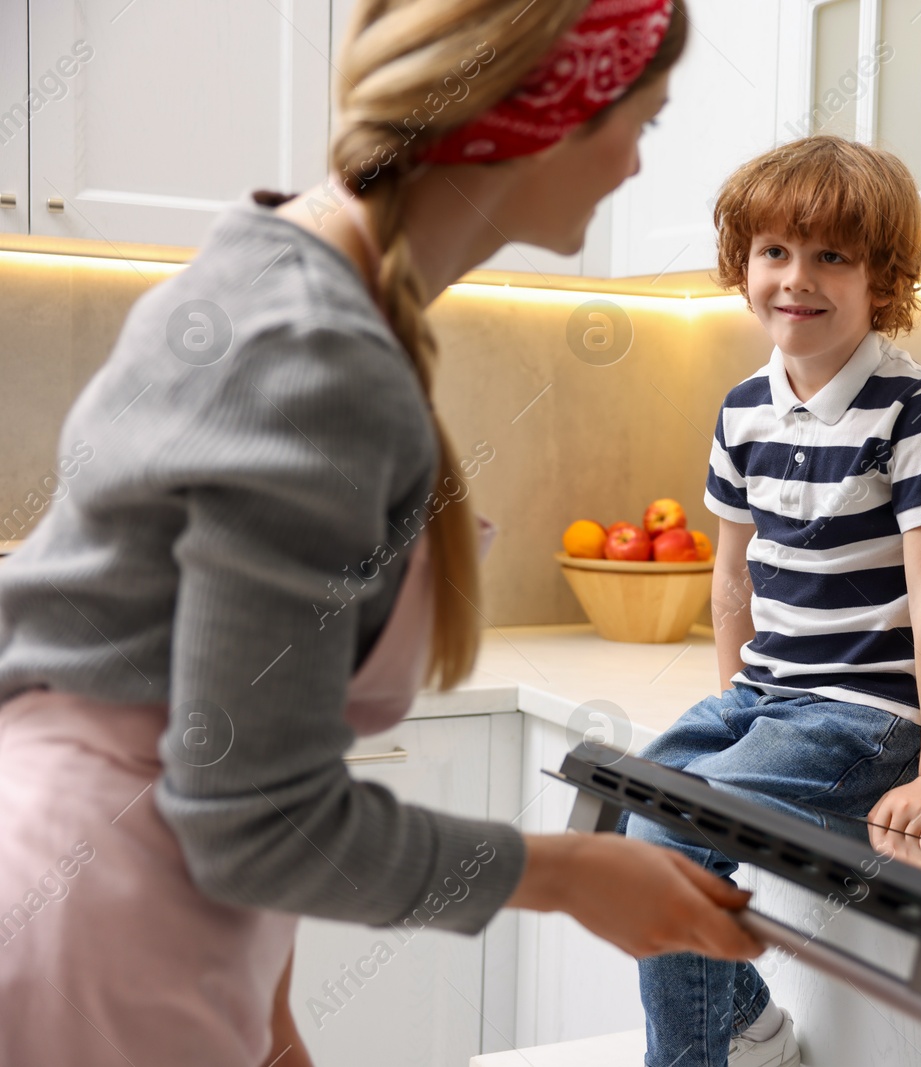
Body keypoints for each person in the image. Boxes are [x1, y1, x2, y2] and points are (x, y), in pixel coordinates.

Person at [0, 2, 763, 1064]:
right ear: (543, 113)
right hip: (98, 922)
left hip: (133, 904)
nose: (637, 167)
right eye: (641, 122)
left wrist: (270, 1026)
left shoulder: (285, 282)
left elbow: (225, 722)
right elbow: (248, 815)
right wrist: (571, 875)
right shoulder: (313, 353)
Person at [623, 135, 921, 1067]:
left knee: (673, 833)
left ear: (882, 276)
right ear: (744, 267)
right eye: (775, 251)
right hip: (769, 696)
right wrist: (733, 702)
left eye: (832, 256)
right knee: (632, 817)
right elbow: (732, 572)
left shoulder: (919, 412)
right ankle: (749, 1026)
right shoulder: (742, 408)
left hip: (868, 712)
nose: (798, 278)